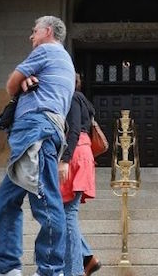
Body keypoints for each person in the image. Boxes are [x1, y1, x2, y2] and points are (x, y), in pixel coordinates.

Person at [0, 15, 76, 276]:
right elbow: (23, 83)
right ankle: (8, 267)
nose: (31, 36)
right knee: (6, 201)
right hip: (35, 134)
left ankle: (50, 270)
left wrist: (21, 81)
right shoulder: (61, 60)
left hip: (36, 133)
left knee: (46, 202)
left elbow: (10, 83)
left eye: (34, 31)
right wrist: (27, 81)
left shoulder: (47, 50)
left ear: (48, 31)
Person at [60, 73, 101, 276]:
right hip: (82, 153)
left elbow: (74, 130)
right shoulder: (83, 101)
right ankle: (87, 257)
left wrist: (65, 159)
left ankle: (75, 271)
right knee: (65, 213)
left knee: (68, 213)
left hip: (75, 154)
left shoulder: (73, 98)